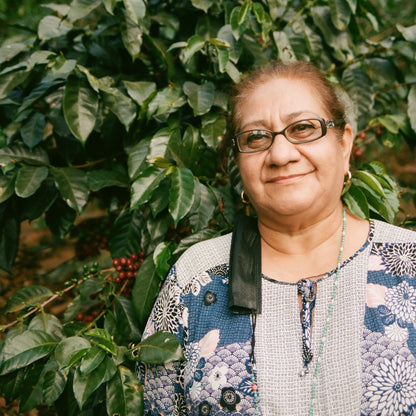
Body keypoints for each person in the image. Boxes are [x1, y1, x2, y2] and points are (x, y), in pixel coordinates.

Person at [138, 61, 416, 415]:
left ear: (344, 144)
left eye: (303, 128)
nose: (281, 155)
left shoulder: (410, 263)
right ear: (239, 164)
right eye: (256, 138)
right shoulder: (195, 279)